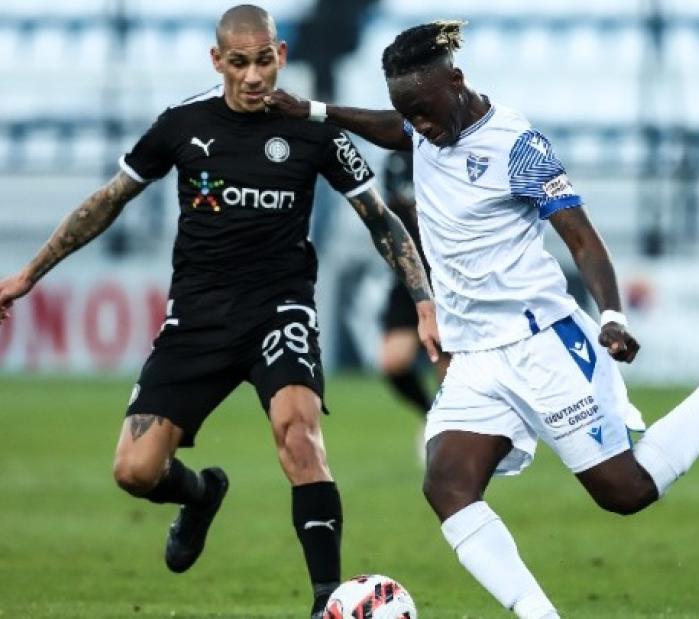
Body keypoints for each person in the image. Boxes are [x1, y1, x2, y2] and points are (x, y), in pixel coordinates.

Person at [265, 20, 699, 619]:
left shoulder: (516, 145)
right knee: (446, 485)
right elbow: (393, 127)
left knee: (625, 491)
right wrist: (317, 111)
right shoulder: (425, 125)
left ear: (456, 81)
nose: (418, 127)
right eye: (409, 115)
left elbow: (583, 239)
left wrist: (612, 314)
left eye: (423, 111)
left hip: (541, 344)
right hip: (476, 356)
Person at [0, 6, 436, 619]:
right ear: (217, 61)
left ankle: (325, 602)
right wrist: (28, 274)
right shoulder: (182, 124)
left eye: (263, 61)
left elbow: (381, 220)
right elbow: (107, 201)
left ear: (280, 55)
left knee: (300, 435)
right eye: (239, 63)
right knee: (134, 470)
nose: (253, 76)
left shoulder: (311, 129)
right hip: (198, 317)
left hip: (280, 310)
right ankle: (202, 494)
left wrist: (423, 301)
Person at [379, 151, 449, 421]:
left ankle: (449, 425)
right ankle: (431, 416)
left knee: (449, 366)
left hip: (446, 277)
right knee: (393, 361)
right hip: (409, 278)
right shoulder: (396, 161)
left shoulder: (448, 153)